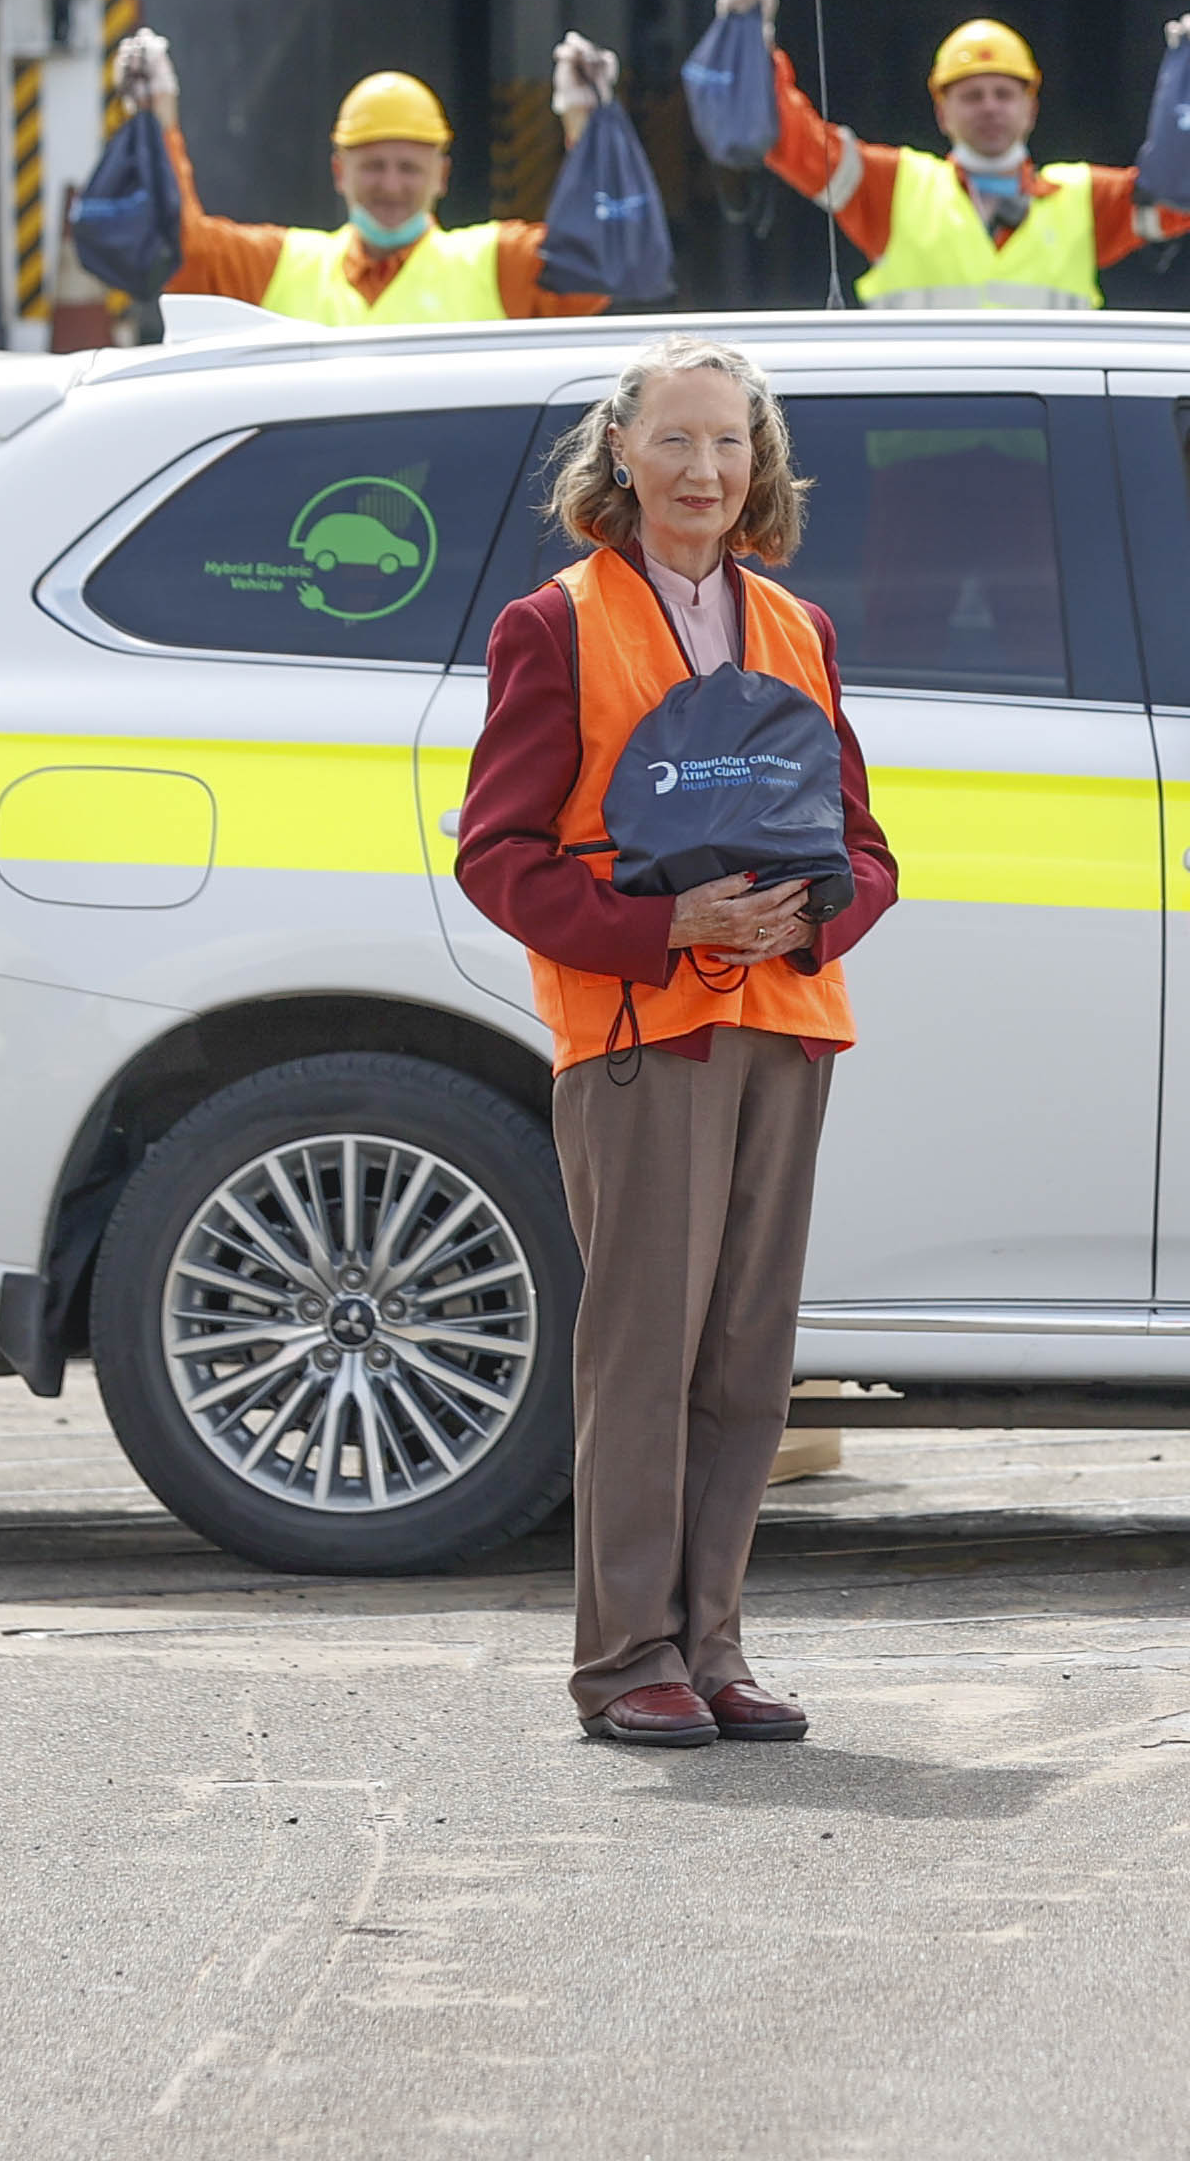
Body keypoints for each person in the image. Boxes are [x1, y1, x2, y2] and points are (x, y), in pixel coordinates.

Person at [453, 338, 903, 1744]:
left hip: (782, 1024)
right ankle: (625, 1660)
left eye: (730, 444)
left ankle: (714, 1649)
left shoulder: (800, 630)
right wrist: (664, 926)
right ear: (620, 459)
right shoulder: (554, 623)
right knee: (643, 1353)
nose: (705, 470)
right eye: (677, 442)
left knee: (750, 1357)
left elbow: (870, 851)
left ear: (759, 466)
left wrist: (810, 923)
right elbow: (498, 858)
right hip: (645, 1033)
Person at [698, 0, 1190, 310]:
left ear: (1032, 108)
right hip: (914, 464)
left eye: (1004, 93)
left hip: (1049, 465)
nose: (989, 107)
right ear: (941, 111)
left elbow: (1187, 196)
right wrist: (753, 49)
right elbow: (794, 143)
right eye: (971, 94)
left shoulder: (1083, 200)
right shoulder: (895, 187)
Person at [108, 29, 613, 323]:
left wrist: (585, 123)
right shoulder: (281, 266)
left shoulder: (494, 263)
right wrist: (157, 120)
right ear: (338, 172)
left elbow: (594, 261)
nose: (391, 186)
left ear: (442, 176)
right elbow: (180, 245)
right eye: (373, 166)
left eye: (409, 168)